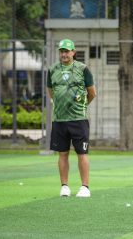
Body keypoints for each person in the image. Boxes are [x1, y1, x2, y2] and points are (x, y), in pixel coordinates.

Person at [47, 39, 96, 198]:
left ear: (73, 52)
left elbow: (92, 93)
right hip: (59, 119)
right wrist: (59, 103)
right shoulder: (52, 69)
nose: (64, 54)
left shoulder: (83, 69)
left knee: (82, 153)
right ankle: (64, 186)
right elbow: (51, 90)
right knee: (62, 153)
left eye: (67, 51)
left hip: (78, 119)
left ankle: (85, 187)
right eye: (61, 51)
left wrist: (81, 106)